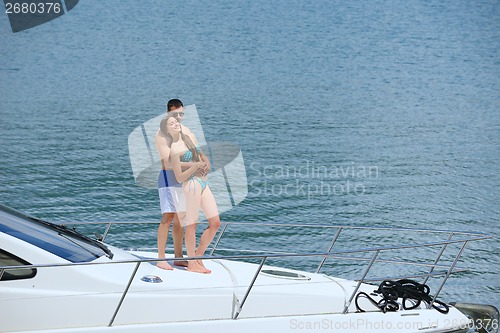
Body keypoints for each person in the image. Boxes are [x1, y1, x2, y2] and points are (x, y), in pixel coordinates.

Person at [160, 115, 221, 274]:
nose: (175, 124)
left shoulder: (189, 138)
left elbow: (201, 156)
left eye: (176, 122)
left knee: (215, 223)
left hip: (203, 183)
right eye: (171, 124)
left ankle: (198, 257)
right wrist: (196, 166)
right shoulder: (174, 149)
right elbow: (179, 177)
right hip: (191, 185)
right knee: (191, 226)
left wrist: (206, 162)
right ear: (167, 130)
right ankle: (192, 263)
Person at [154, 99, 196, 270]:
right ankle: (161, 258)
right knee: (168, 217)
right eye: (175, 114)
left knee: (181, 218)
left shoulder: (186, 131)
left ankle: (178, 256)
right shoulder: (161, 134)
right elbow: (168, 161)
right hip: (168, 178)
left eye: (181, 114)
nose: (178, 117)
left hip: (184, 178)